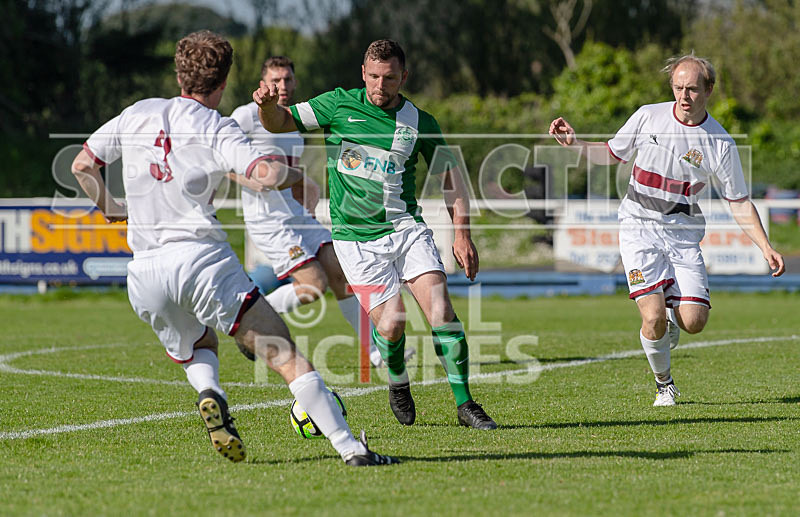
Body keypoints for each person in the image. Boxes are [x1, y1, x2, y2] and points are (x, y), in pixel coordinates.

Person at [70, 30, 397, 466]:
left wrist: (112, 208)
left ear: (179, 74)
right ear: (223, 81)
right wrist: (297, 176)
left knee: (199, 343)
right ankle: (351, 449)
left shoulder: (137, 112)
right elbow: (264, 174)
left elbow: (82, 165)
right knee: (285, 354)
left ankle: (210, 392)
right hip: (201, 261)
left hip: (145, 272)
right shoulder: (216, 125)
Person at [253, 39, 497, 430]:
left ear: (404, 76)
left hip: (407, 230)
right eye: (374, 77)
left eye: (390, 78)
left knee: (441, 312)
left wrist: (462, 234)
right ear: (362, 74)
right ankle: (398, 381)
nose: (381, 86)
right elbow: (280, 122)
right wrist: (267, 107)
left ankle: (466, 404)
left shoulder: (420, 122)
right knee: (392, 324)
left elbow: (451, 179)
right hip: (356, 240)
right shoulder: (336, 105)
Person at [549, 54, 785, 406]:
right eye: (678, 87)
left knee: (694, 321)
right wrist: (577, 144)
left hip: (682, 233)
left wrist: (766, 247)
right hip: (638, 227)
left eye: (692, 89)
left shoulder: (720, 143)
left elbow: (738, 201)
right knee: (653, 316)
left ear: (709, 89)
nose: (684, 96)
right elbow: (612, 154)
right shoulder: (649, 116)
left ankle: (675, 315)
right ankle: (664, 384)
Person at [227, 55, 413, 369]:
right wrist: (250, 179)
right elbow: (220, 158)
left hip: (298, 216)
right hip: (268, 221)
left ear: (295, 82)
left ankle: (375, 352)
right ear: (263, 84)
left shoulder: (293, 124)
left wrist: (306, 195)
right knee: (312, 286)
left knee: (341, 274)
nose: (282, 86)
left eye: (287, 79)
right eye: (275, 80)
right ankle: (247, 316)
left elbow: (291, 175)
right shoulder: (245, 115)